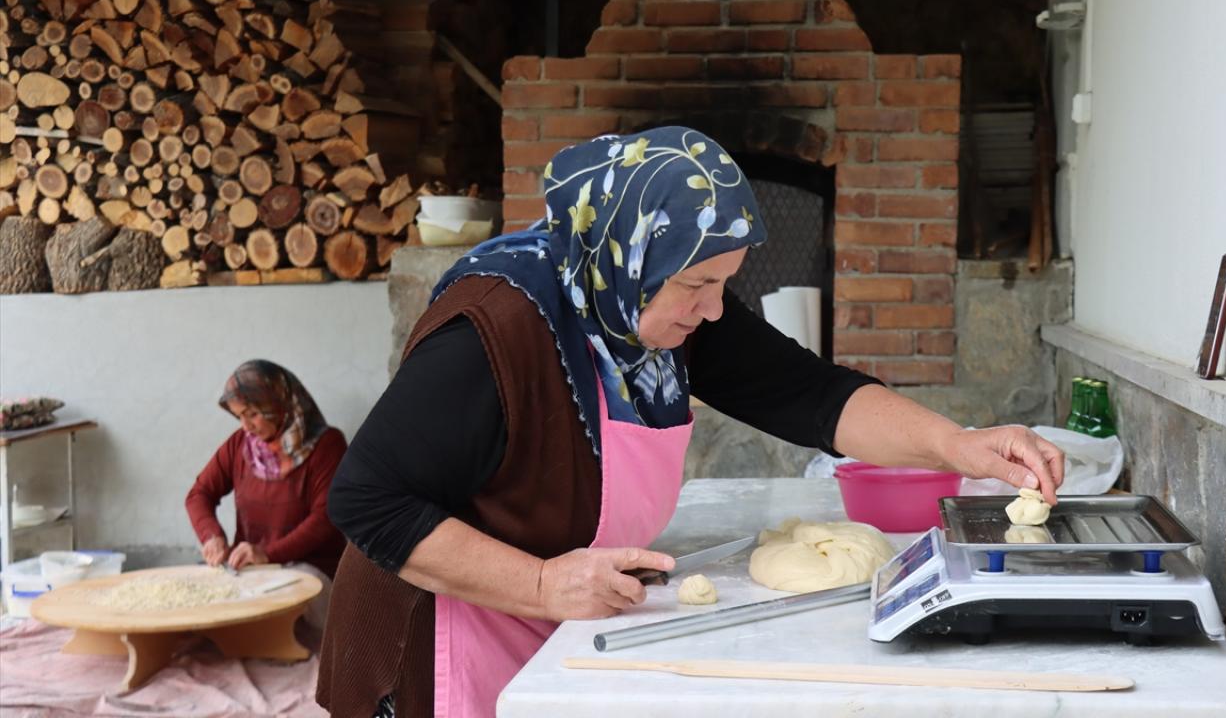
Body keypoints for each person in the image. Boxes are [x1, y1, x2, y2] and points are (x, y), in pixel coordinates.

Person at [317, 127, 1064, 717]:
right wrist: (542, 584)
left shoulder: (645, 299)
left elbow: (811, 394)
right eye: (698, 284)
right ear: (633, 254)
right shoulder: (493, 329)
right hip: (433, 647)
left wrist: (958, 444)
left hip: (553, 626)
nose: (711, 310)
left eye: (723, 284)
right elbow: (367, 500)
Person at [185, 360, 348, 623]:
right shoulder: (240, 445)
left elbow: (325, 518)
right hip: (249, 569)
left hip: (308, 568)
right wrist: (211, 536)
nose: (246, 426)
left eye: (252, 414)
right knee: (195, 602)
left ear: (278, 404)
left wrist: (268, 554)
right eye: (239, 416)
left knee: (282, 619)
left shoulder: (327, 446)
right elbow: (199, 494)